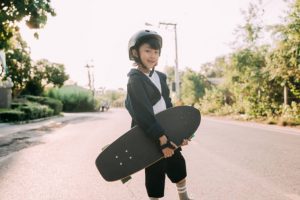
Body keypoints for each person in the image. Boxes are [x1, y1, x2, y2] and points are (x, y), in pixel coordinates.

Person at [125, 30, 193, 200]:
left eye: (156, 52)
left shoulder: (161, 77)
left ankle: (183, 196)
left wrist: (179, 133)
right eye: (148, 51)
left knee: (178, 165)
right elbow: (143, 114)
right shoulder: (135, 79)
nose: (152, 56)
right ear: (135, 53)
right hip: (150, 134)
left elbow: (168, 106)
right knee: (155, 172)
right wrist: (162, 140)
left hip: (167, 130)